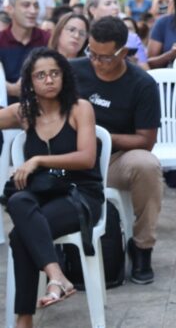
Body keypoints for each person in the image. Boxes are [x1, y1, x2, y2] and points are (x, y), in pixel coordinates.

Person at [1, 48, 102, 326]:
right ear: (30, 82)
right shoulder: (25, 113)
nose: (48, 80)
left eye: (54, 73)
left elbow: (86, 158)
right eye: (41, 75)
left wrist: (37, 159)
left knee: (21, 235)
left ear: (64, 76)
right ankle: (57, 276)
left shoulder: (80, 108)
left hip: (79, 195)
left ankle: (24, 318)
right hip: (43, 196)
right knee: (18, 200)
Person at [72, 16, 162, 284]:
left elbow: (146, 141)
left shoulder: (142, 84)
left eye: (105, 57)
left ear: (123, 52)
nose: (96, 62)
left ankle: (142, 247)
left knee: (147, 165)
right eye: (92, 54)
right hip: (74, 158)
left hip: (115, 160)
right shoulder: (73, 71)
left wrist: (100, 136)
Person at [1, 0, 51, 102]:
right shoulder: (1, 40)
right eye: (26, 5)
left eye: (36, 6)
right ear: (10, 9)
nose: (33, 11)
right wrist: (8, 88)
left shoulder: (47, 39)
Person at [85, 0, 148, 69]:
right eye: (108, 4)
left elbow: (146, 70)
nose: (115, 7)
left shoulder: (132, 38)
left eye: (115, 3)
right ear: (93, 10)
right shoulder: (83, 36)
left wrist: (133, 65)